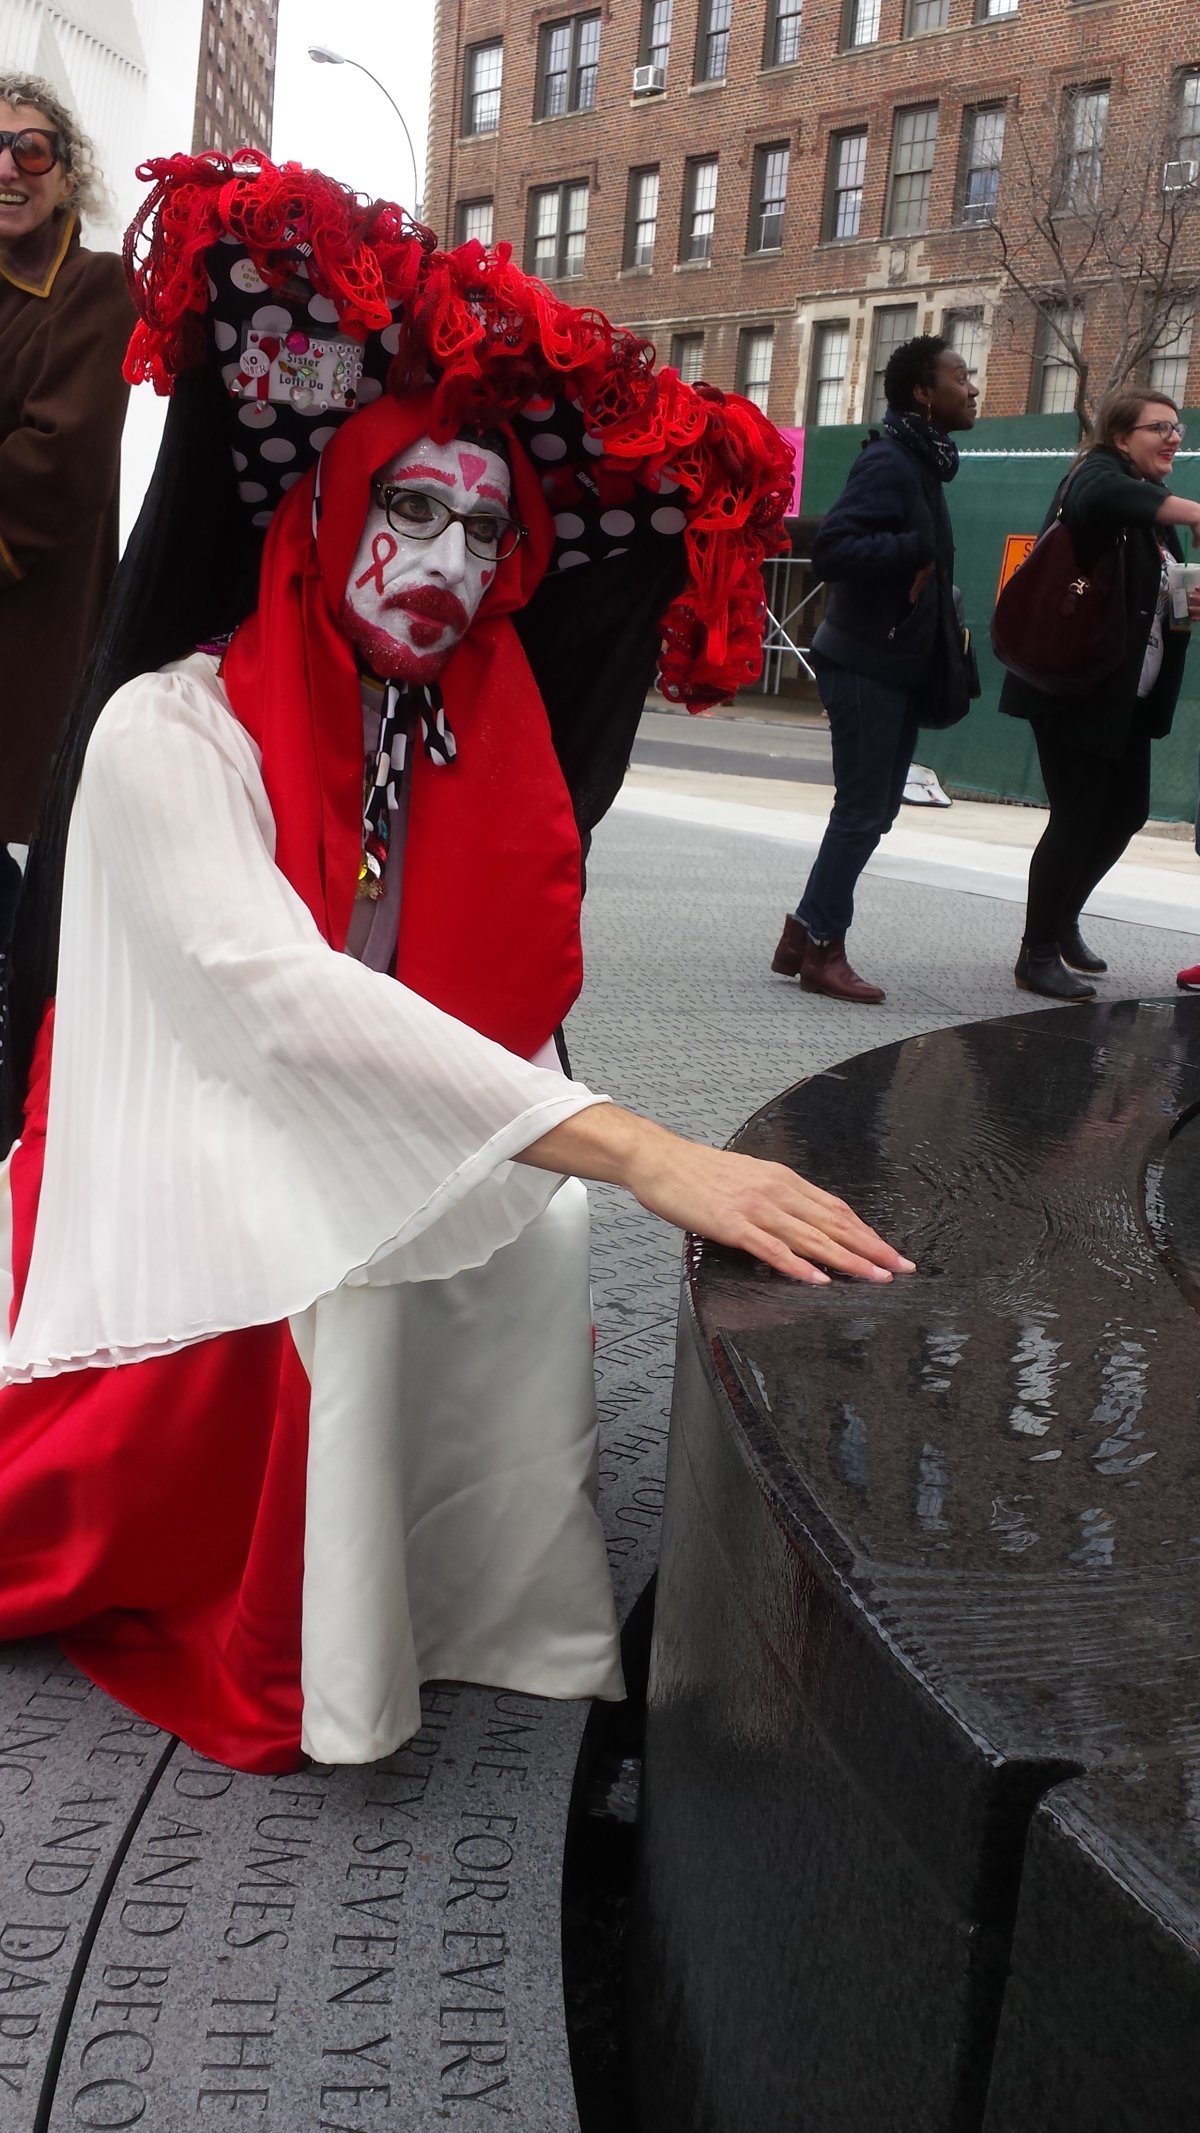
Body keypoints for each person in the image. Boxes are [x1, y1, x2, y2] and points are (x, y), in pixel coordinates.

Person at [0, 153, 912, 1777]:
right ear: (327, 513)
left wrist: (574, 1149)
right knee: (358, 1258)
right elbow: (266, 994)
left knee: (524, 1214)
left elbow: (484, 995)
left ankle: (467, 1600)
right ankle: (315, 1637)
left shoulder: (437, 732)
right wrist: (648, 1152)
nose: (448, 557)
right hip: (168, 1139)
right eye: (408, 507)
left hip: (334, 1104)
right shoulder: (166, 725)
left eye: (488, 527)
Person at [770, 335, 978, 1003]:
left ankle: (803, 932)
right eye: (960, 376)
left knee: (876, 810)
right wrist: (914, 547)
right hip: (865, 661)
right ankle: (822, 949)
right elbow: (832, 550)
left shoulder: (922, 462)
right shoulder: (890, 460)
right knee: (862, 810)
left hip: (896, 662)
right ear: (924, 391)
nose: (972, 387)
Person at [1000, 389, 1200, 1001]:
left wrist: (1184, 602)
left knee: (1125, 812)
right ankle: (1036, 952)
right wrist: (1193, 511)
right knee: (1077, 816)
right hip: (1076, 685)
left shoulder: (1152, 511)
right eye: (1159, 427)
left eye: (1178, 427)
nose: (1173, 437)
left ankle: (1062, 920)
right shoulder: (1096, 476)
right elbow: (1100, 500)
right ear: (1119, 438)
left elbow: (1148, 593)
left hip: (1126, 693)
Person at [0, 75, 132, 948]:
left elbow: (56, 461)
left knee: (27, 888)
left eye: (32, 149)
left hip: (28, 631)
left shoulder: (97, 286)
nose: (9, 168)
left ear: (67, 174)